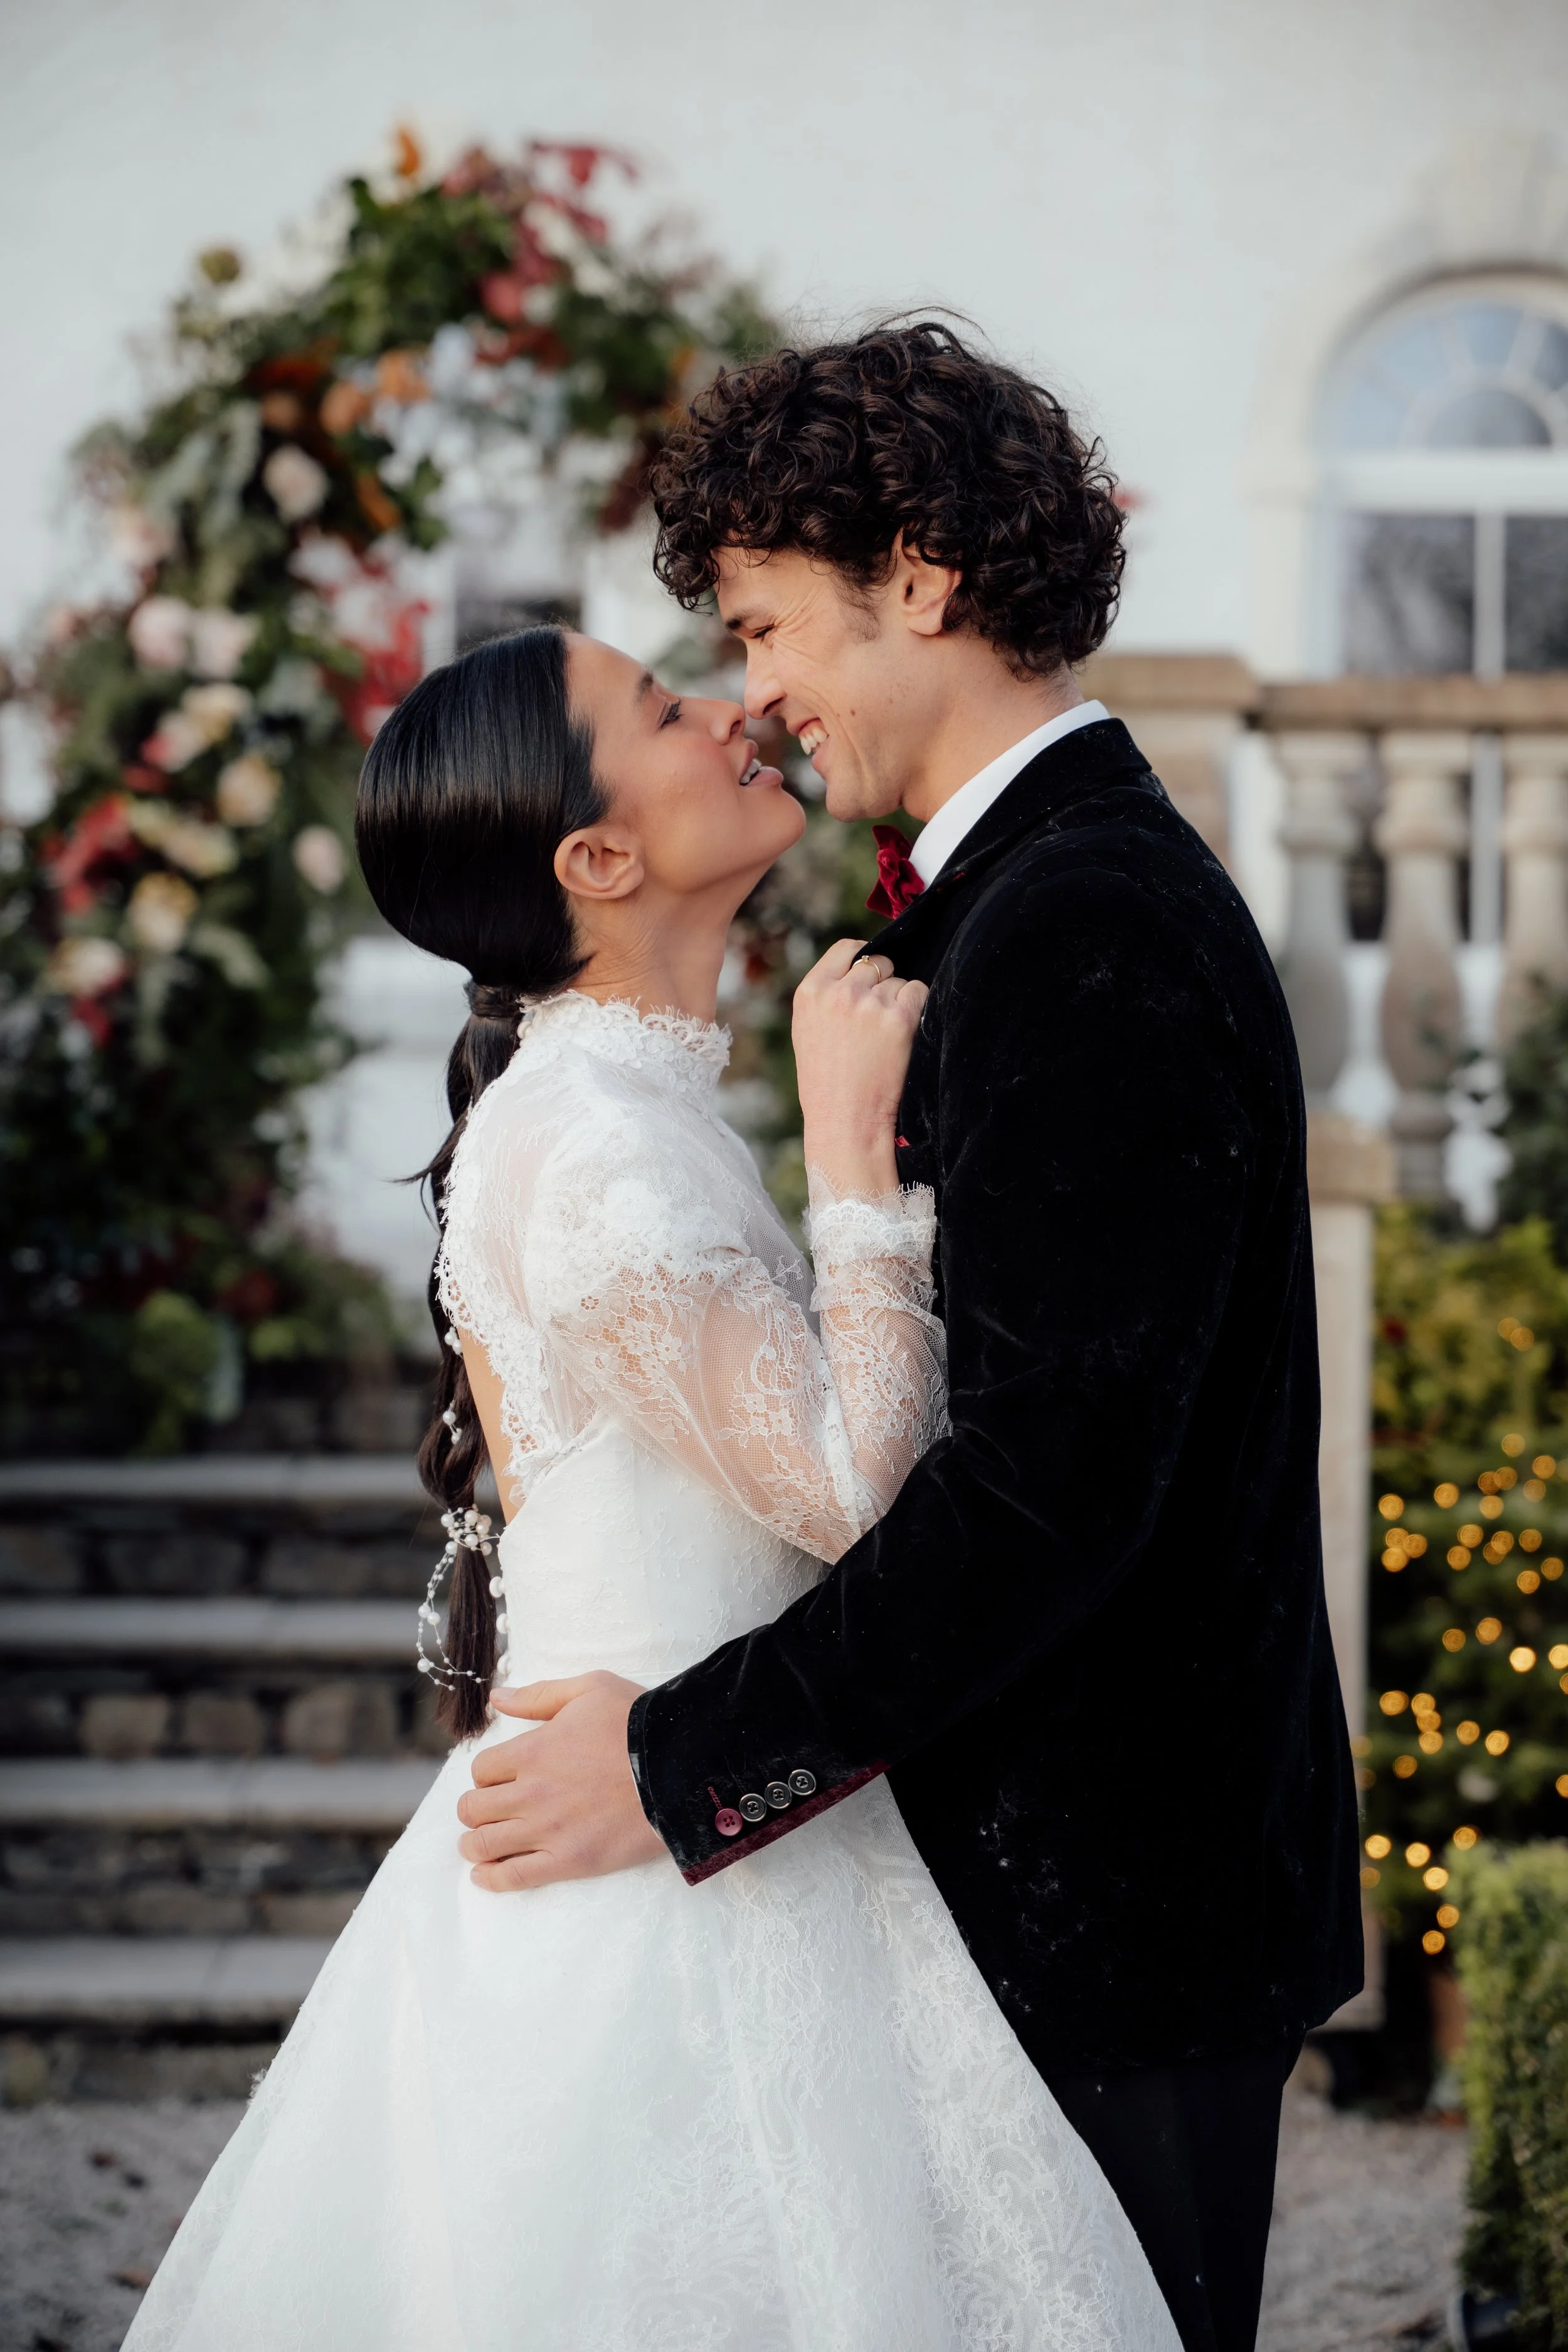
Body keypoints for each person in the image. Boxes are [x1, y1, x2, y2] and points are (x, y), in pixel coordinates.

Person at [454, 324, 1364, 2352]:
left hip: (1114, 1914)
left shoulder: (1081, 921)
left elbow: (1042, 1493)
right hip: (1023, 1898)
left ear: (922, 576)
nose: (752, 689)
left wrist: (677, 1762)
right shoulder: (1002, 908)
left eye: (767, 619)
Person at [123, 622, 1180, 2351]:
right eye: (666, 707)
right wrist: (855, 1163)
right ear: (597, 859)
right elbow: (856, 1493)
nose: (736, 708)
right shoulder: (602, 1146)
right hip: (664, 1885)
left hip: (720, 1811)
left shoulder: (617, 1107)